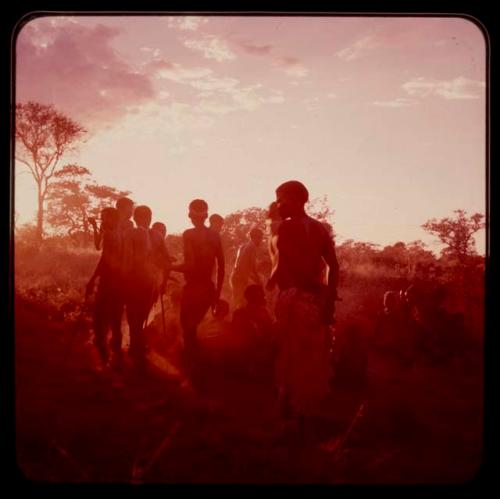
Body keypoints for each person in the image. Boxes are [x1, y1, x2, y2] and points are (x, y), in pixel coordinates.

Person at [271, 180, 339, 426]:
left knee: (292, 355)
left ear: (298, 200)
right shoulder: (320, 229)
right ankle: (302, 409)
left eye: (281, 199)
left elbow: (286, 267)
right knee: (310, 356)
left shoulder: (286, 228)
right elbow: (333, 266)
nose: (278, 205)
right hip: (314, 300)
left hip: (295, 299)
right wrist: (328, 299)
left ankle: (292, 410)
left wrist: (281, 286)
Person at [170, 199, 225, 369]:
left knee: (188, 330)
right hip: (208, 288)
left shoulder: (189, 234)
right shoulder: (215, 236)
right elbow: (222, 267)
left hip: (193, 288)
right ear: (206, 216)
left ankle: (191, 369)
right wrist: (216, 294)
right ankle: (198, 367)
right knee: (192, 328)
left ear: (189, 216)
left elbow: (190, 265)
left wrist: (169, 267)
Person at [123, 205, 169, 371]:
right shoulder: (156, 235)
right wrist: (162, 279)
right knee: (140, 316)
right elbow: (166, 259)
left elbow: (127, 259)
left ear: (135, 218)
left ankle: (136, 347)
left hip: (137, 280)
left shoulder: (133, 233)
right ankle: (137, 346)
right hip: (147, 281)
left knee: (135, 316)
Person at [85, 207, 123, 367]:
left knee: (100, 319)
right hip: (119, 280)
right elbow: (97, 246)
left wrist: (93, 279)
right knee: (115, 319)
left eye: (104, 218)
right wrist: (95, 227)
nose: (102, 220)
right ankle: (116, 356)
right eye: (101, 218)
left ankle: (104, 358)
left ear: (113, 220)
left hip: (108, 281)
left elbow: (103, 259)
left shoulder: (111, 235)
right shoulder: (120, 233)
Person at [231, 284, 275, 378]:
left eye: (262, 295)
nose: (264, 297)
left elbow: (269, 335)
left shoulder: (263, 313)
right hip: (248, 356)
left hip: (257, 355)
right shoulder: (240, 314)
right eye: (261, 295)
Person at [230, 227, 264, 308]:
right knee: (241, 304)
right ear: (255, 237)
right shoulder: (252, 247)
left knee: (237, 302)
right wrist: (258, 280)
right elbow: (253, 267)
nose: (261, 240)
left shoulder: (243, 246)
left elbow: (242, 265)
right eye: (260, 238)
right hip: (240, 278)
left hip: (235, 277)